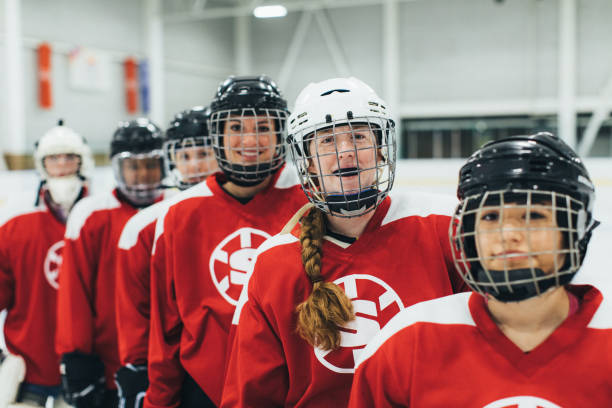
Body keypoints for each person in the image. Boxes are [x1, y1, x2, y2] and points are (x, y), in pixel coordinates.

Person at [221, 77, 467, 408]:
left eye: (359, 136)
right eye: (326, 141)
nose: (346, 151)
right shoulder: (273, 262)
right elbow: (251, 394)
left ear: (381, 150)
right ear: (306, 161)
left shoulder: (442, 225)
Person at [348, 132, 610, 407]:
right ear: (468, 234)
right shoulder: (407, 343)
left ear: (576, 230)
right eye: (490, 217)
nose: (508, 234)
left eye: (533, 215)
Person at [144, 75, 307, 408]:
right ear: (217, 134)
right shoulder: (179, 213)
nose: (250, 139)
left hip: (290, 392)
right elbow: (165, 327)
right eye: (236, 127)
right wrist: (159, 400)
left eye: (263, 126)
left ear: (281, 133)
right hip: (203, 392)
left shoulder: (309, 202)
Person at [56, 119, 167, 408]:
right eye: (133, 166)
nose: (143, 175)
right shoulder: (90, 215)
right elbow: (74, 294)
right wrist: (76, 357)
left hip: (169, 366)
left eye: (151, 164)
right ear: (118, 169)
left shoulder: (179, 209)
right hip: (109, 369)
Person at [114, 107, 218, 408]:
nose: (195, 165)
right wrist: (137, 370)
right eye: (184, 157)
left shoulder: (247, 211)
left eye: (203, 153)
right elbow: (136, 314)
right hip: (183, 378)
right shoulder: (147, 225)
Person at [0, 120, 93, 407]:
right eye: (54, 158)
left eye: (69, 157)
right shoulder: (16, 229)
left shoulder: (100, 222)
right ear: (43, 165)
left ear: (82, 162)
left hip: (88, 367)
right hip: (28, 370)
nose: (62, 165)